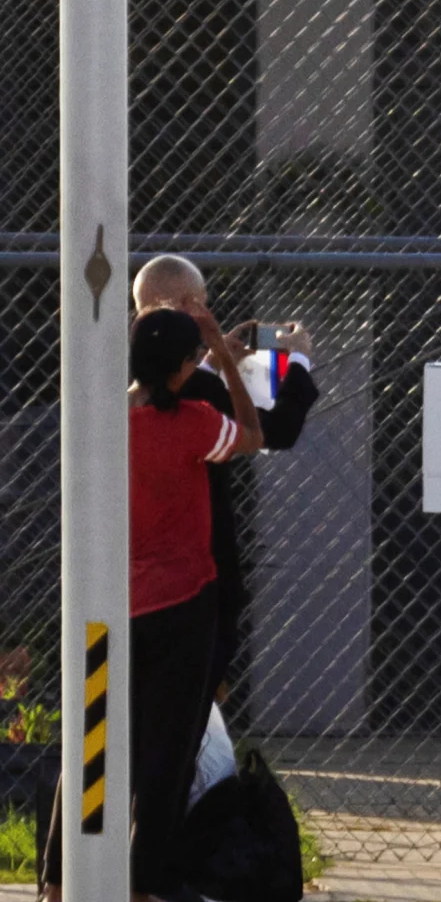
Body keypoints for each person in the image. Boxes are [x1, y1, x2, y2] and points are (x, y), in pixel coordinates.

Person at [39, 306, 263, 902]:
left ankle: (59, 884)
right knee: (165, 751)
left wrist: (202, 356)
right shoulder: (193, 421)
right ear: (185, 368)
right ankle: (140, 886)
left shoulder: (104, 418)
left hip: (111, 598)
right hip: (183, 600)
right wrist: (225, 362)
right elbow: (251, 434)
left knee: (95, 738)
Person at [131, 255, 319, 695]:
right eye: (202, 302)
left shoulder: (134, 382)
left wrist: (212, 361)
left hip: (140, 566)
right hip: (195, 566)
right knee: (199, 675)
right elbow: (273, 432)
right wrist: (300, 363)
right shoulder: (194, 407)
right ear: (187, 303)